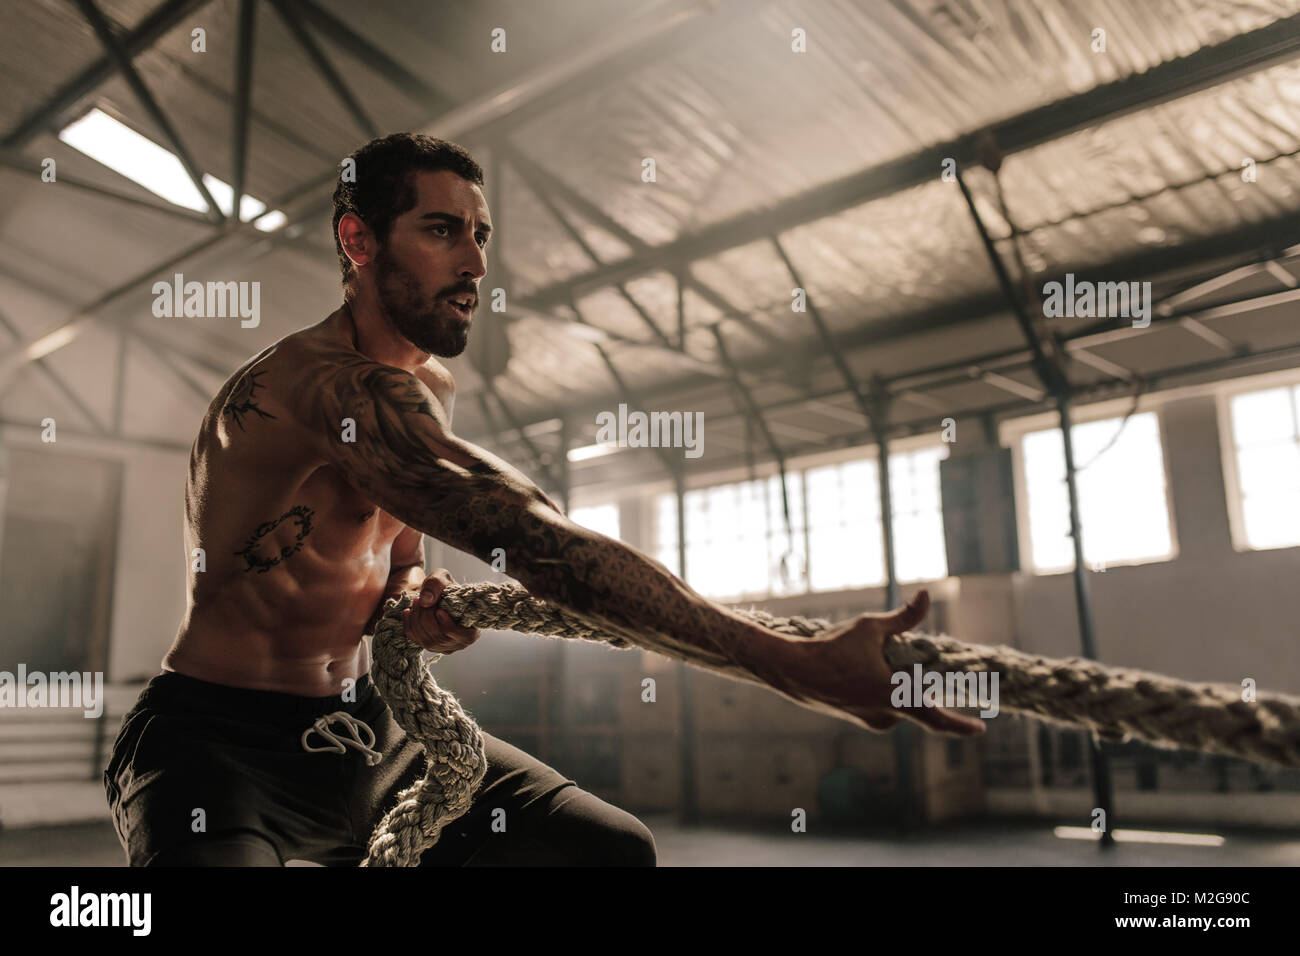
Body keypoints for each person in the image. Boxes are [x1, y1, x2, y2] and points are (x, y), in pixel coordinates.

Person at [104, 133, 984, 867]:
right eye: (443, 230)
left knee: (608, 852)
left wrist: (411, 610)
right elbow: (527, 536)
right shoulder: (317, 392)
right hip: (215, 741)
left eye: (482, 235)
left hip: (366, 727)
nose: (476, 262)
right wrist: (789, 662)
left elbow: (400, 564)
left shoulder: (429, 388)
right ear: (360, 242)